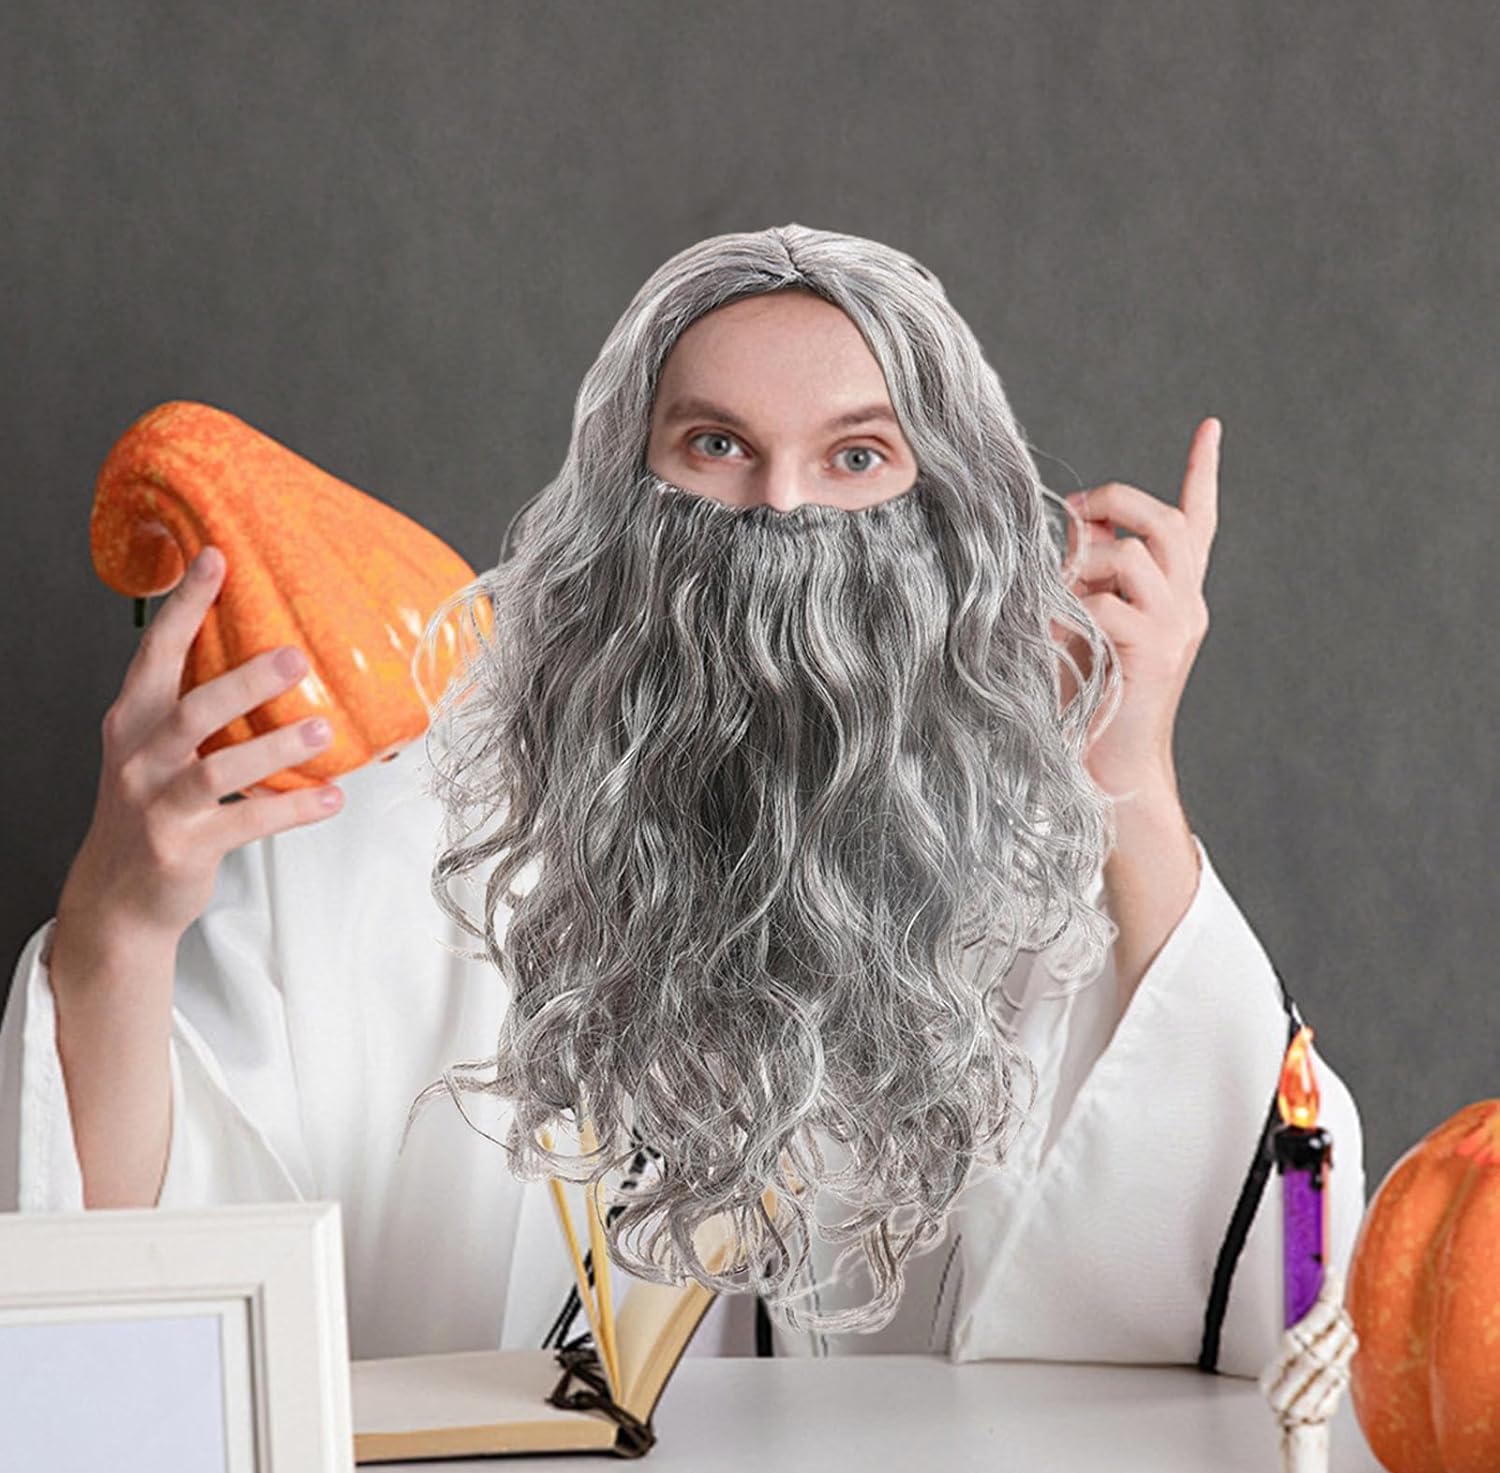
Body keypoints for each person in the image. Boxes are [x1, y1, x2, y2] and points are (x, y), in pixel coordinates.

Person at [0, 225, 1364, 1375]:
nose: (778, 512)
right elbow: (137, 1298)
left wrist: (1129, 781)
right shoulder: (388, 830)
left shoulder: (1028, 869)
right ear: (614, 493)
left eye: (857, 458)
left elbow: (1281, 1297)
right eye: (714, 446)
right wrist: (119, 922)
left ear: (951, 513)